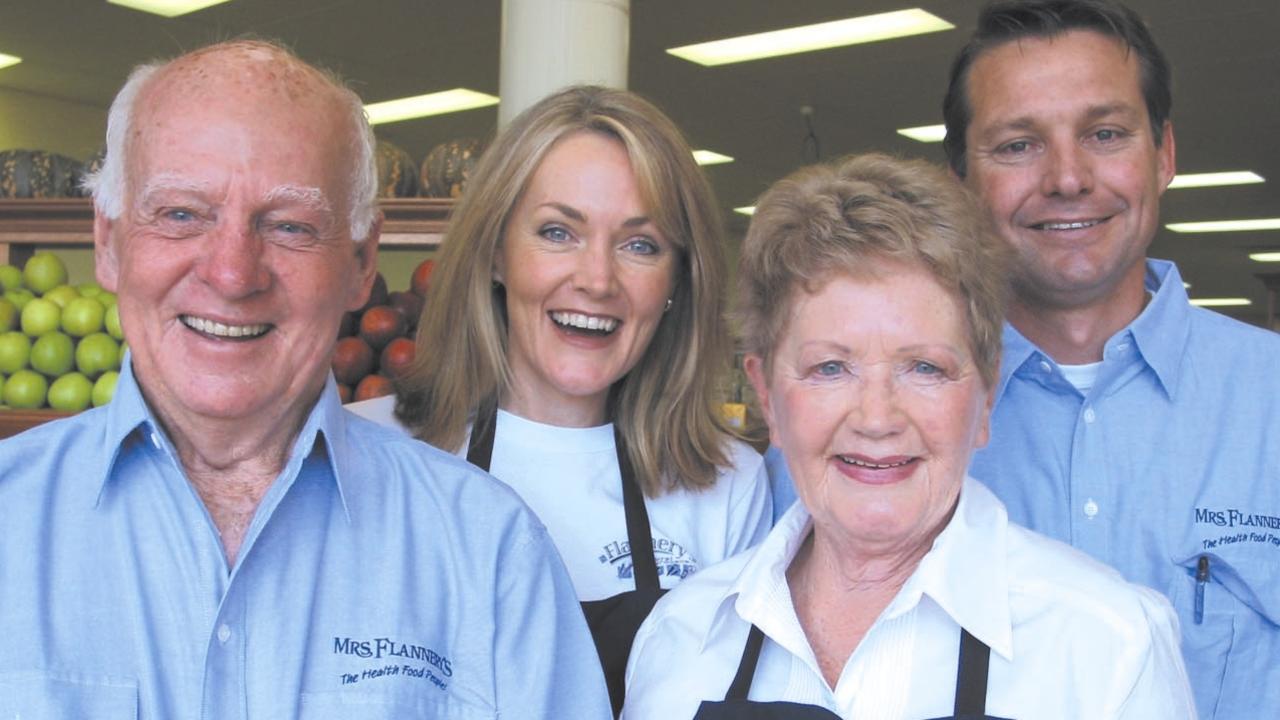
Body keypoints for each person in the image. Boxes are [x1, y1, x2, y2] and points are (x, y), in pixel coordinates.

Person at [0, 40, 610, 719]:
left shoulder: (489, 553)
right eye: (181, 214)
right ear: (109, 243)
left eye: (289, 226)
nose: (232, 275)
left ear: (359, 261)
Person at [622, 153, 1195, 719]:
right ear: (768, 397)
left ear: (986, 397)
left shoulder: (1107, 648)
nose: (876, 418)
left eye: (924, 367)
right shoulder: (679, 640)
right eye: (830, 368)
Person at [348, 85, 771, 714]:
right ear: (496, 255)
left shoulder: (726, 485)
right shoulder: (366, 450)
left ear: (679, 279)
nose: (597, 279)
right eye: (557, 232)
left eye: (640, 245)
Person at [941, 2, 1280, 716]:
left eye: (1104, 133)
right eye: (1016, 145)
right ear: (960, 180)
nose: (1067, 177)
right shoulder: (874, 430)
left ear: (1164, 156)